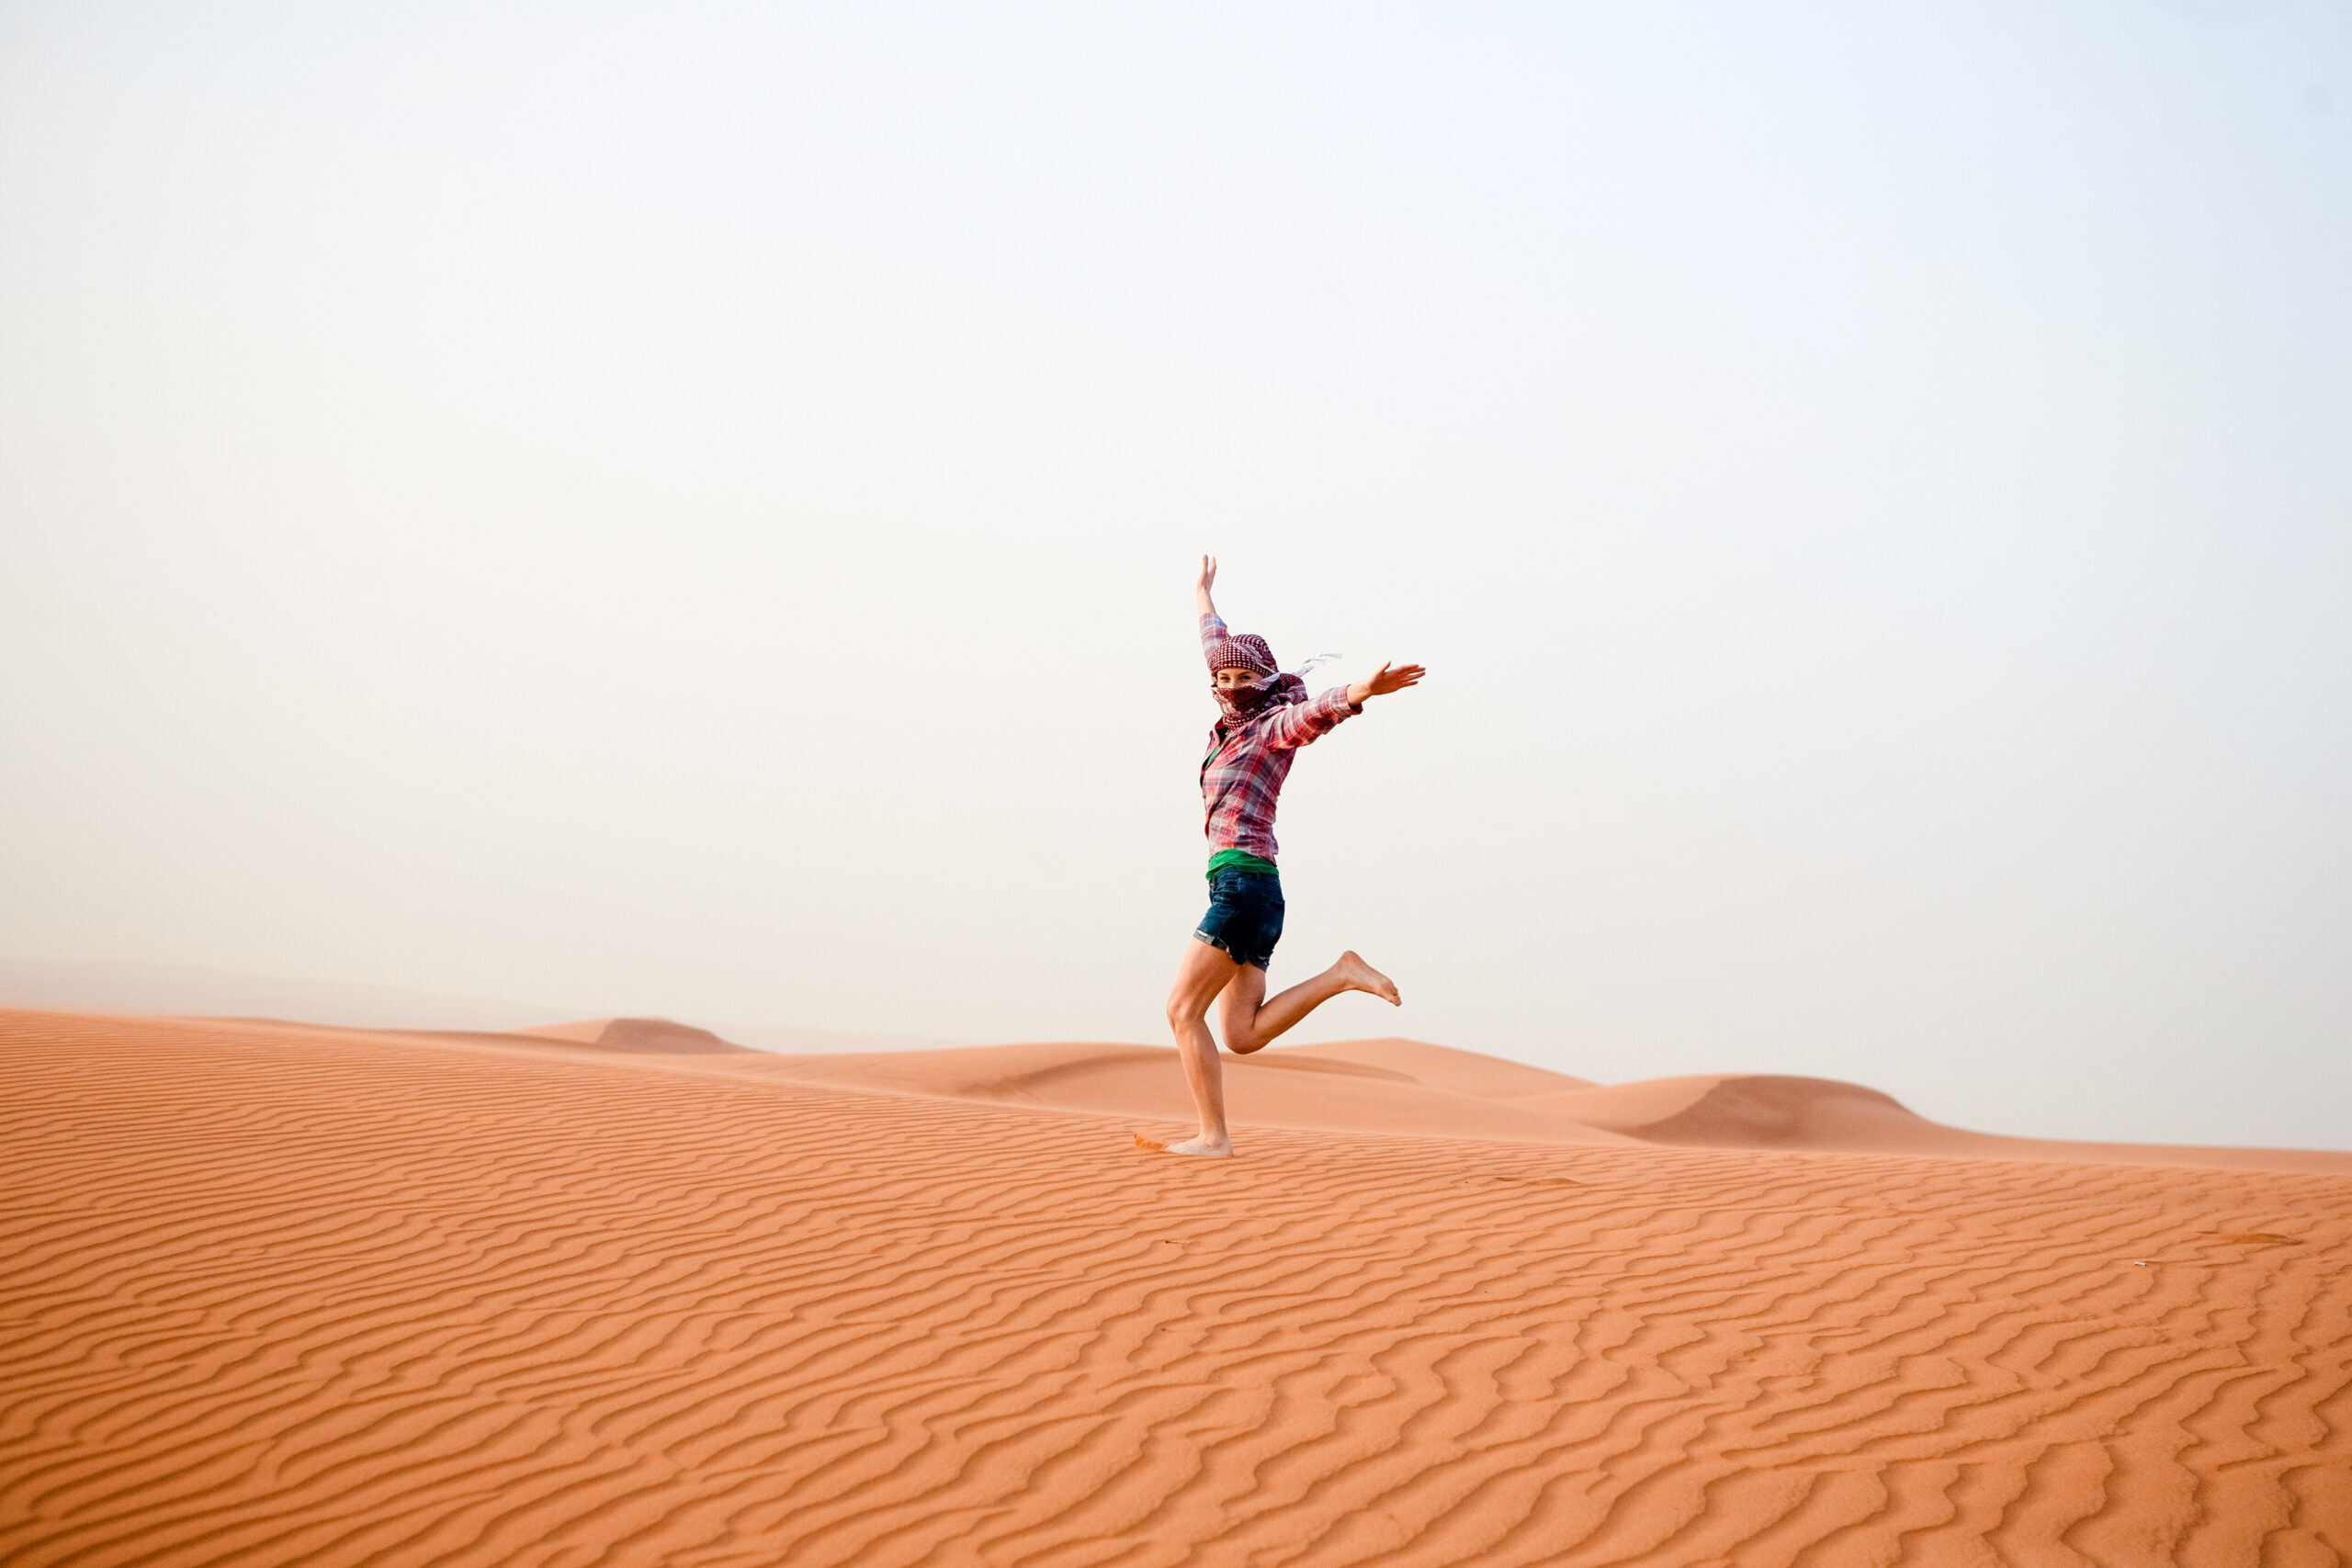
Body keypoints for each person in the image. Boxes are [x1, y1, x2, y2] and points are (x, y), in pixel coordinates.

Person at [1140, 556, 1427, 1157]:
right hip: (1252, 890)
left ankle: (1213, 1136)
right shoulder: (1228, 725)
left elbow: (1311, 713)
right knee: (1240, 1033)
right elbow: (1215, 644)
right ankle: (1341, 973)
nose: (1231, 686)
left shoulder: (1269, 726)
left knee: (1179, 1010)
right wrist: (1201, 594)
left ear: (1266, 681)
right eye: (1224, 680)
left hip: (1244, 886)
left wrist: (1360, 693)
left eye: (1245, 679)